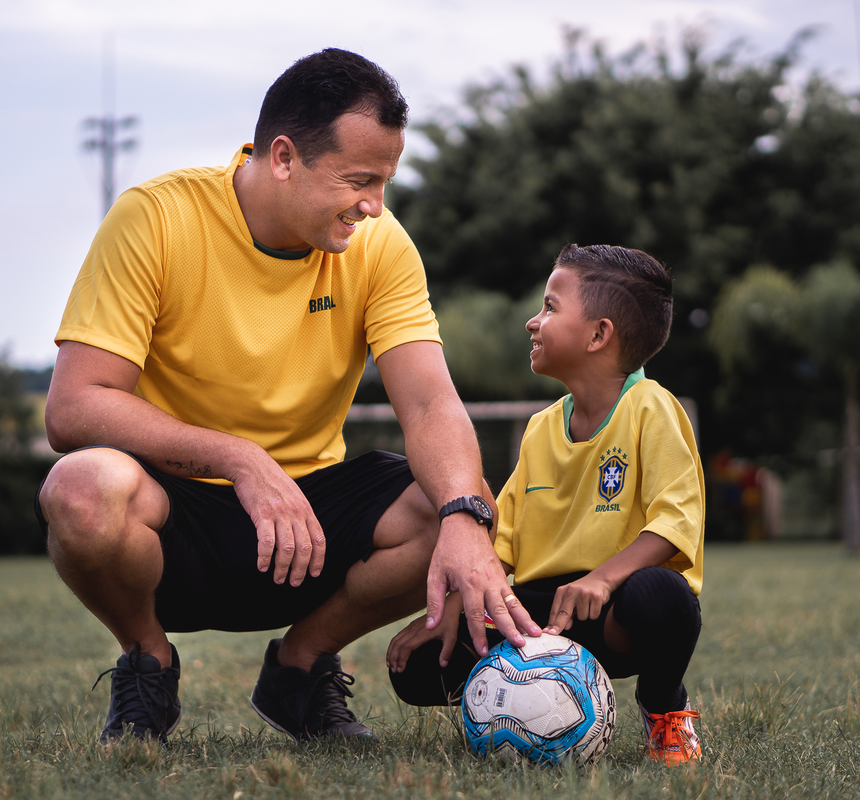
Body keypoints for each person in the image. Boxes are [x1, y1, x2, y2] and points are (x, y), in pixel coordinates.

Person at [35, 48, 540, 744]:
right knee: (81, 488)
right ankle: (147, 662)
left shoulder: (380, 243)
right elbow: (75, 407)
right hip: (173, 516)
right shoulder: (156, 217)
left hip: (309, 523)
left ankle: (299, 671)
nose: (374, 205)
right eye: (359, 180)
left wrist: (465, 514)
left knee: (462, 502)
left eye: (385, 182)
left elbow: (429, 405)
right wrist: (240, 459)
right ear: (282, 158)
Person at [386, 244, 706, 765]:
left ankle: (663, 705)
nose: (534, 322)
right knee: (419, 663)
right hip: (536, 617)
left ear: (600, 335)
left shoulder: (653, 408)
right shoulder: (540, 429)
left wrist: (602, 580)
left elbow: (676, 522)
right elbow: (503, 538)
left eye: (551, 307)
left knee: (664, 598)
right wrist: (453, 609)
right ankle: (517, 708)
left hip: (616, 613)